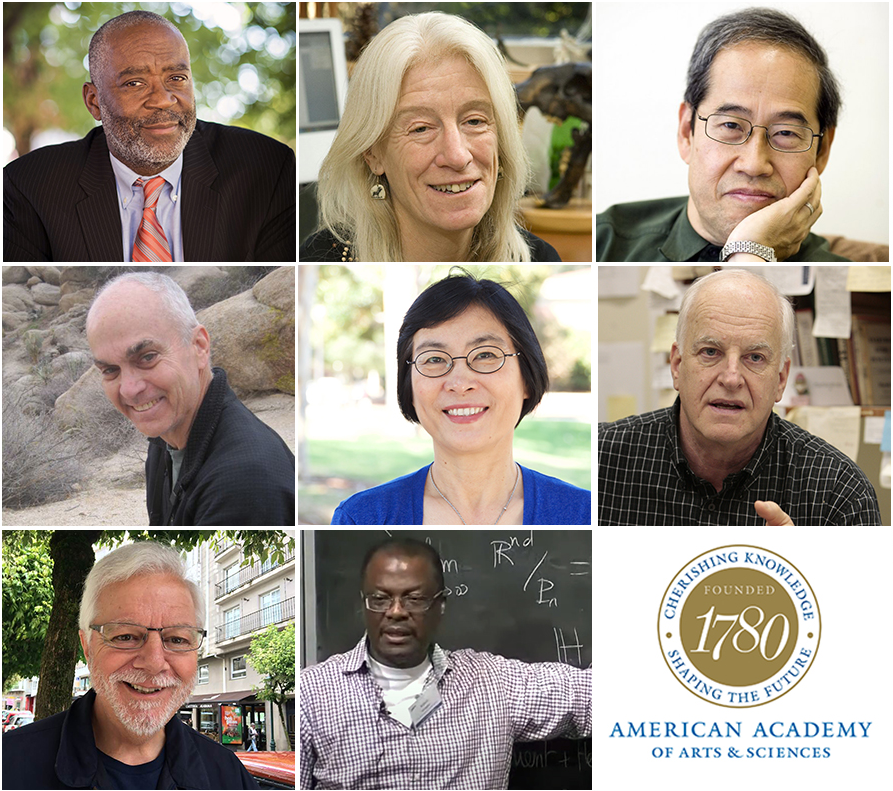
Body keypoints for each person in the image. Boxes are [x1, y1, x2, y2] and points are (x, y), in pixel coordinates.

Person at [3, 10, 295, 262]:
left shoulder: (267, 170)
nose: (163, 99)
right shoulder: (29, 187)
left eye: (177, 78)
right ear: (94, 101)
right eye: (135, 83)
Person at [300, 537, 590, 789]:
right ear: (363, 605)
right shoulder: (311, 695)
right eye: (380, 599)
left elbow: (588, 694)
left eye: (414, 598)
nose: (396, 612)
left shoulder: (491, 684)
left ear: (440, 606)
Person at [598, 269, 882, 526]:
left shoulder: (841, 492)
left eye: (755, 357)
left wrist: (804, 571)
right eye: (710, 352)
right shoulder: (601, 460)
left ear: (781, 379)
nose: (731, 378)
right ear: (677, 365)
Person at [331, 271, 591, 525]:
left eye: (485, 355)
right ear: (409, 386)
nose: (459, 384)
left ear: (526, 378)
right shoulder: (361, 518)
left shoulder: (586, 515)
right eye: (434, 359)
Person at [300, 12, 561, 262]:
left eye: (474, 121)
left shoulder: (540, 258)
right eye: (421, 128)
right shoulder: (319, 258)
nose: (457, 156)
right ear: (372, 153)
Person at [597, 8, 850, 262]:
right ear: (687, 132)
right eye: (731, 126)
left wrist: (751, 252)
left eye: (785, 132)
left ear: (822, 150)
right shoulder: (603, 243)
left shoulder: (841, 277)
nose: (753, 165)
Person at [1, 541, 257, 789]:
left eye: (177, 639)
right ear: (87, 647)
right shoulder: (9, 765)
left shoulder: (228, 775)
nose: (155, 663)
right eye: (125, 636)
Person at [86, 271, 295, 525]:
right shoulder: (164, 440)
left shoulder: (244, 482)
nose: (129, 389)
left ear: (199, 347)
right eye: (110, 370)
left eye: (148, 357)